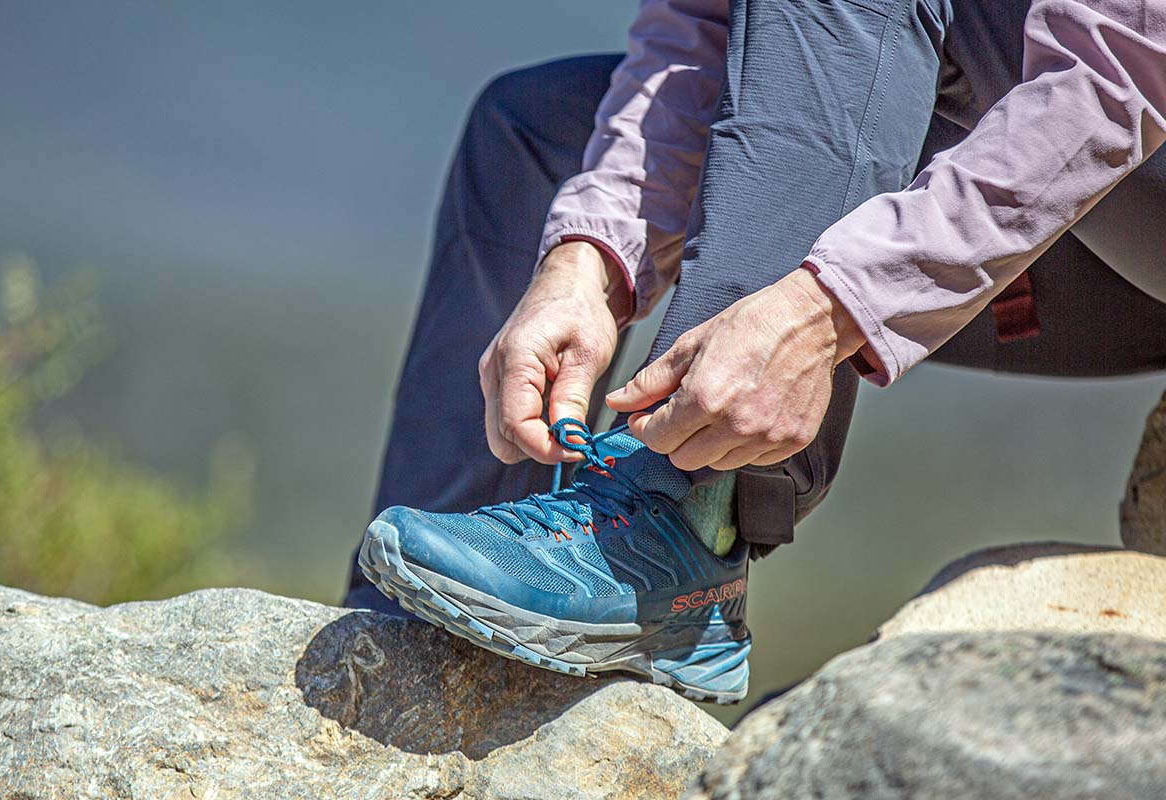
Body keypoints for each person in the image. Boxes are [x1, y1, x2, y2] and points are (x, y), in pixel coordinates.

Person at [348, 0, 1166, 703]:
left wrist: (831, 307)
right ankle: (420, 622)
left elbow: (1115, 72)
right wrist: (589, 261)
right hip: (1052, 234)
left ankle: (683, 526)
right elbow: (713, 32)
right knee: (532, 128)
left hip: (1130, 186)